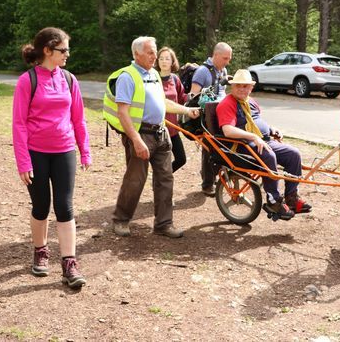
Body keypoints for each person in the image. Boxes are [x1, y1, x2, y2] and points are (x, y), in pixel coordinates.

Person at [12, 27, 90, 288]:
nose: (68, 54)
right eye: (63, 50)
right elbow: (19, 124)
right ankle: (40, 250)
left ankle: (69, 262)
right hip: (36, 153)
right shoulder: (27, 81)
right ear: (47, 50)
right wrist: (23, 161)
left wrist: (84, 150)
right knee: (41, 206)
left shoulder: (69, 79)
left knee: (65, 207)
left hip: (64, 150)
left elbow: (78, 118)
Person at [104, 36, 199, 238]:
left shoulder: (154, 74)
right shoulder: (128, 77)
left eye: (154, 51)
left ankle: (163, 224)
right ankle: (120, 220)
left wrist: (186, 110)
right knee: (135, 180)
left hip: (160, 133)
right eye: (149, 52)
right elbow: (123, 112)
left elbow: (162, 102)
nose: (154, 55)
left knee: (165, 178)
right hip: (141, 135)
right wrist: (136, 140)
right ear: (136, 54)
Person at [216, 69, 312, 220]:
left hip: (263, 140)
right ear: (232, 87)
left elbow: (257, 121)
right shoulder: (227, 104)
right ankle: (273, 201)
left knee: (294, 154)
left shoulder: (251, 101)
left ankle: (291, 197)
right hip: (241, 145)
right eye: (238, 86)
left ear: (251, 88)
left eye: (245, 86)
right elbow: (227, 130)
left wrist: (272, 130)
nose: (242, 89)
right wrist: (253, 137)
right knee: (268, 156)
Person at [189, 42, 232, 196]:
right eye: (225, 58)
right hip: (206, 118)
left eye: (229, 58)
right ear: (216, 55)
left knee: (222, 146)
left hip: (220, 116)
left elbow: (222, 93)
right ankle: (207, 184)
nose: (228, 62)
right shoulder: (202, 71)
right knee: (209, 148)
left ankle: (217, 177)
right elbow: (193, 96)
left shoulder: (223, 70)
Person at [154, 47, 188, 172]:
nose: (164, 61)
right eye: (161, 58)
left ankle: (163, 177)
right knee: (162, 160)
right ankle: (162, 181)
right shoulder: (153, 78)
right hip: (158, 129)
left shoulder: (175, 79)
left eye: (167, 58)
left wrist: (195, 98)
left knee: (181, 159)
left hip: (173, 129)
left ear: (172, 61)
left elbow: (182, 98)